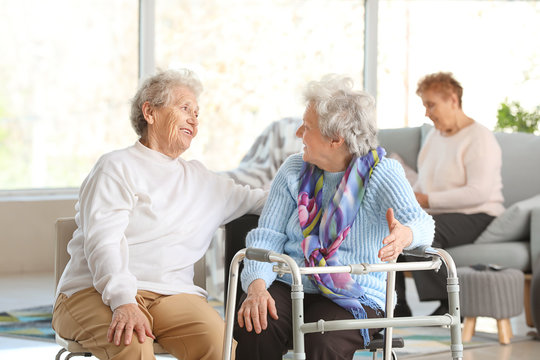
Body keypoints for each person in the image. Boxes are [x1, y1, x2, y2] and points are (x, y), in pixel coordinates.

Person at [52, 69, 266, 360]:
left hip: (173, 295)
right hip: (92, 291)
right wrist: (123, 301)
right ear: (150, 112)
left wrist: (319, 188)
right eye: (184, 108)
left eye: (197, 113)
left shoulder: (203, 182)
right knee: (132, 343)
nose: (194, 118)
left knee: (220, 345)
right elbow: (103, 242)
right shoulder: (115, 167)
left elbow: (263, 201)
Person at [233, 74, 435, 360]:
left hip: (357, 291)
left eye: (307, 127)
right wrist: (256, 287)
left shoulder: (382, 173)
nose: (298, 134)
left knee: (323, 340)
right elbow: (267, 236)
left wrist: (405, 234)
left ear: (335, 139)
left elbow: (422, 222)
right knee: (257, 323)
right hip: (294, 282)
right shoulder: (293, 169)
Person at [394, 72, 505, 317]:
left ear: (453, 100)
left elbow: (479, 192)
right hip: (439, 212)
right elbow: (425, 182)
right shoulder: (434, 137)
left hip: (478, 213)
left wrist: (426, 200)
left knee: (423, 233)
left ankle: (454, 305)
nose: (427, 112)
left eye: (431, 104)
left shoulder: (480, 138)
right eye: (424, 105)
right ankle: (398, 306)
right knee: (396, 231)